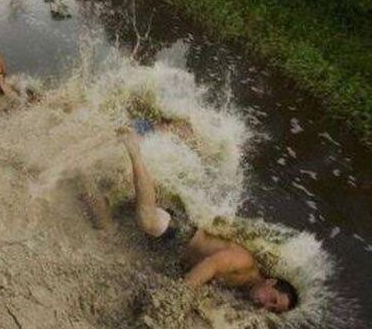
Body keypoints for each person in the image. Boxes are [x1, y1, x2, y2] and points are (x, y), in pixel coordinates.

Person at [104, 127, 299, 313]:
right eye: (272, 299)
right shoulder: (244, 263)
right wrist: (180, 294)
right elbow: (211, 264)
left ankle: (84, 179)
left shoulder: (242, 291)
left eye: (271, 309)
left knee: (103, 222)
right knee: (148, 220)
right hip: (181, 234)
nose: (265, 305)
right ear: (271, 282)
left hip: (168, 252)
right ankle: (134, 149)